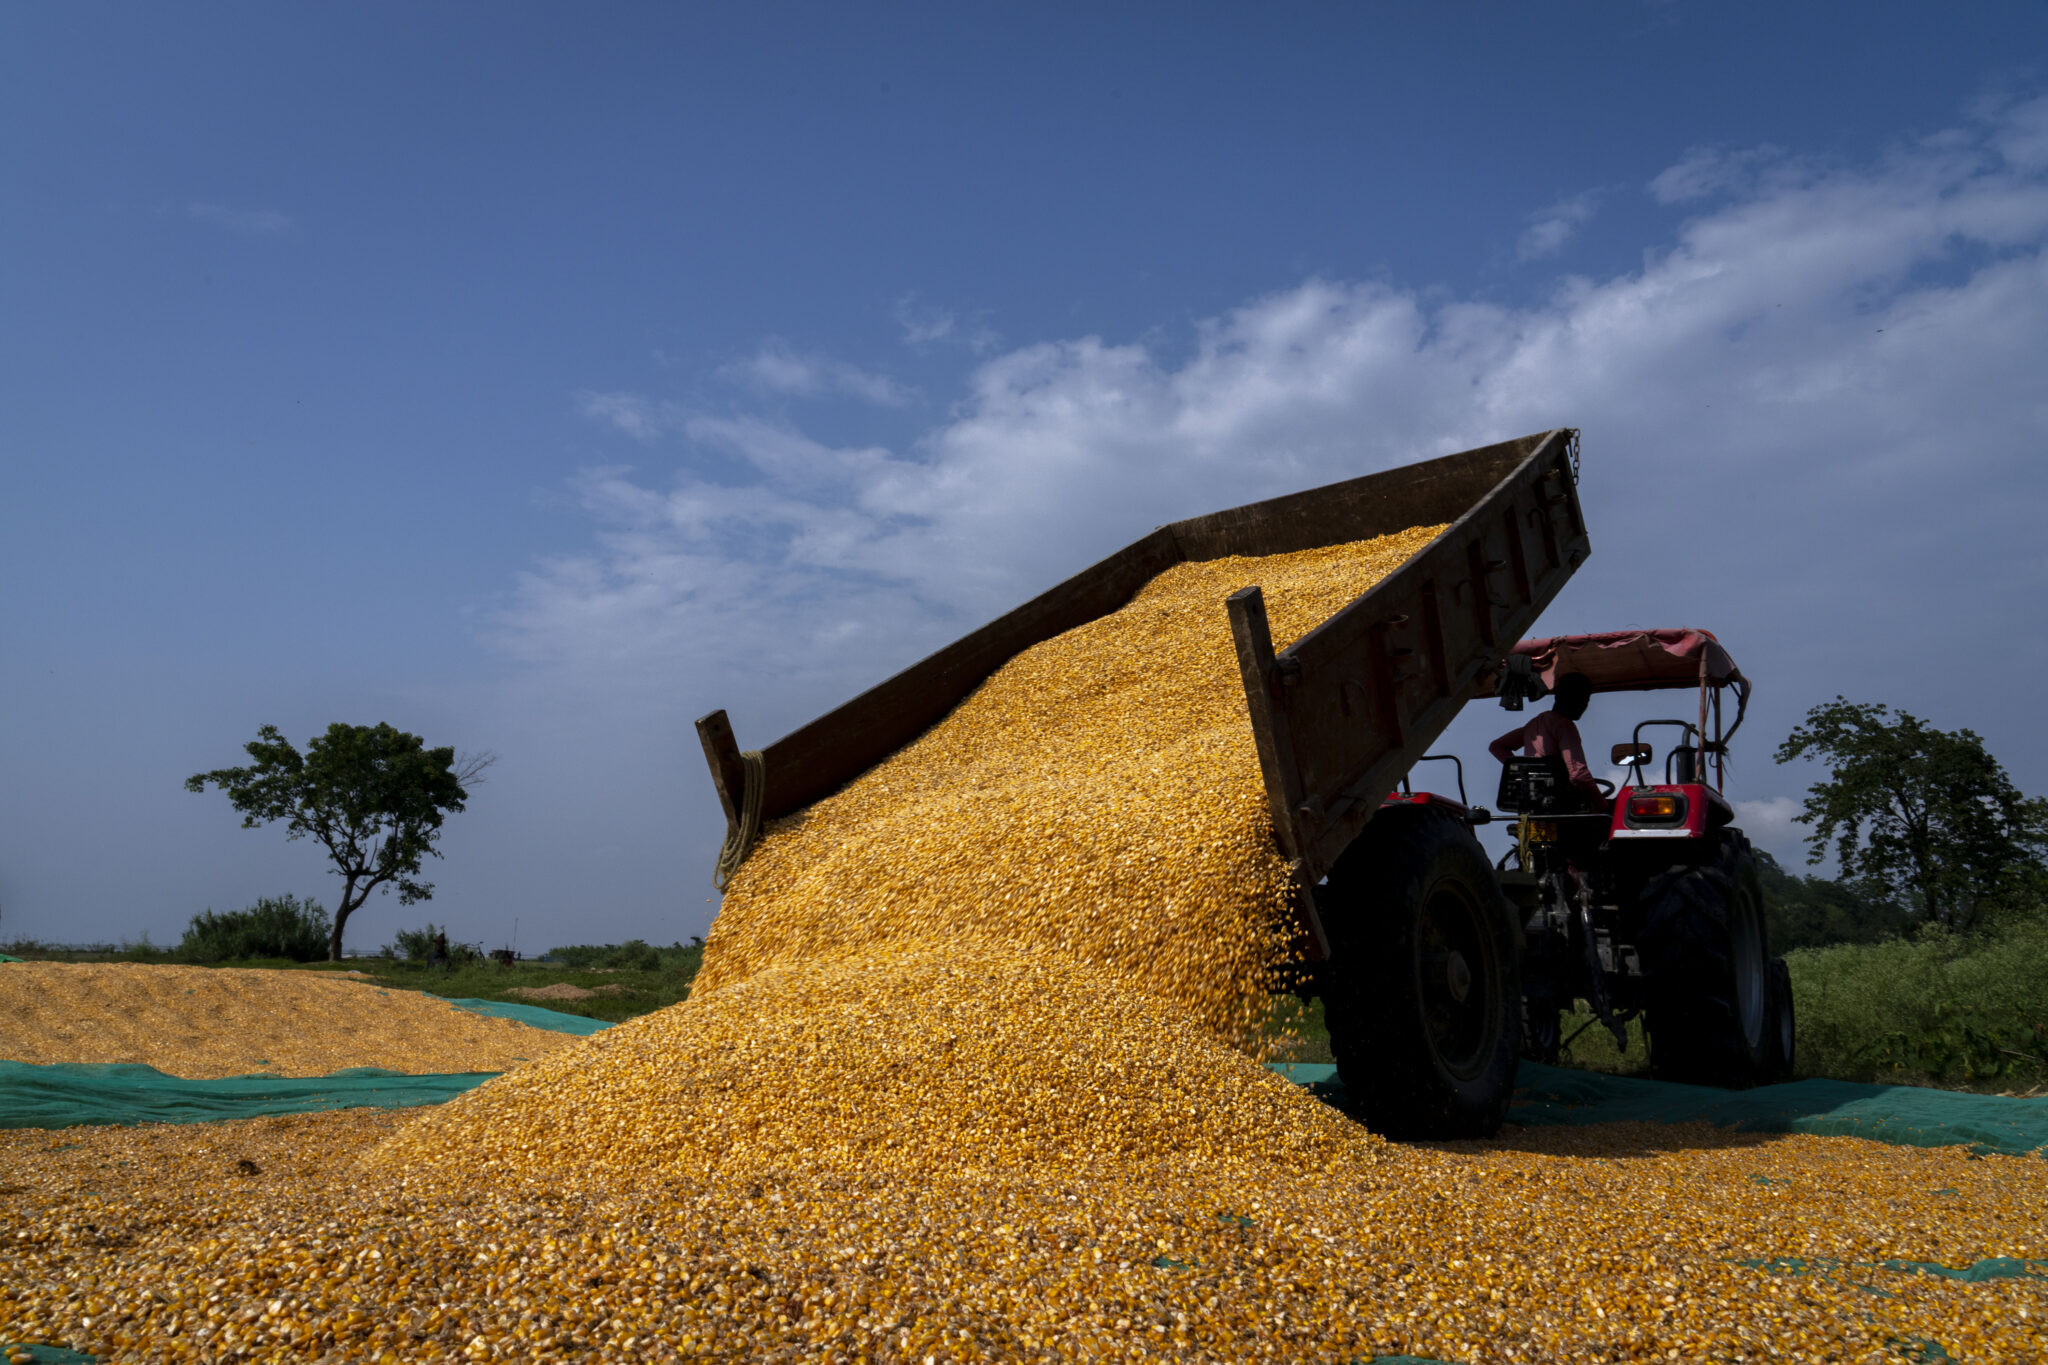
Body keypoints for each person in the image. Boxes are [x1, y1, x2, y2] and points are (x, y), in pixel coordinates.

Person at [1489, 671, 1606, 807]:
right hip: (1559, 803)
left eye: (1586, 701)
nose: (1583, 706)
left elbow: (1497, 746)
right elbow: (1578, 774)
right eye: (1581, 698)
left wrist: (1522, 771)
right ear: (1559, 696)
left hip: (1533, 801)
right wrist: (1603, 805)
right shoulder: (1564, 725)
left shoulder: (1535, 723)